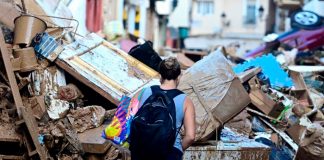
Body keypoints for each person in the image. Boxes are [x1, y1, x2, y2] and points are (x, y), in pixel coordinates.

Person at [130, 57, 196, 160]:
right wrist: (178, 149)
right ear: (178, 77)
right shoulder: (186, 100)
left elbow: (128, 117)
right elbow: (191, 136)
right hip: (169, 152)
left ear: (160, 76)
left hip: (140, 149)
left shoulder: (143, 92)